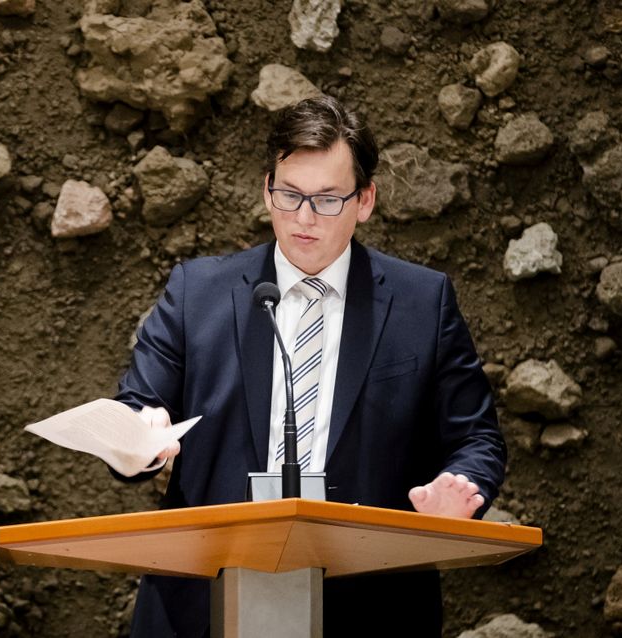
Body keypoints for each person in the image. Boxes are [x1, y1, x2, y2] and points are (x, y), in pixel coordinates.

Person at [113, 95, 506, 637]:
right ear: (266, 189)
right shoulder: (196, 292)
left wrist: (458, 488)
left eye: (325, 200)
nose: (302, 218)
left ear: (364, 200)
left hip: (370, 605)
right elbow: (137, 408)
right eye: (289, 194)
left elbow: (477, 438)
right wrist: (138, 435)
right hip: (203, 604)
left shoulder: (423, 302)